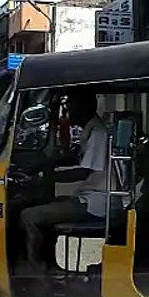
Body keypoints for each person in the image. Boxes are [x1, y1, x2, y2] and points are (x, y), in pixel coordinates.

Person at [19, 90, 112, 286]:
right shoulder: (91, 129)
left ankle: (36, 272)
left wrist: (46, 176)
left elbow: (84, 172)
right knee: (48, 206)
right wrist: (47, 165)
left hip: (96, 202)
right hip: (89, 196)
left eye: (72, 105)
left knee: (29, 216)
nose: (68, 110)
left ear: (87, 107)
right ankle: (50, 266)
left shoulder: (98, 133)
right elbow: (76, 159)